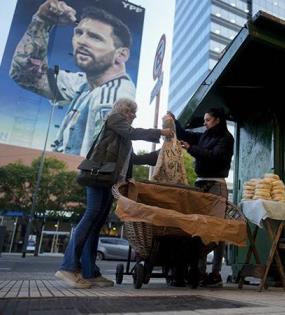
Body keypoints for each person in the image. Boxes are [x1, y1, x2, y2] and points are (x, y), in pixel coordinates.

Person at [55, 98, 173, 288]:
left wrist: (162, 153)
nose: (134, 115)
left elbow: (132, 159)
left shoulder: (122, 135)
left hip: (110, 181)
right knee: (91, 216)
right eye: (131, 111)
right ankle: (68, 267)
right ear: (122, 110)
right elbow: (132, 132)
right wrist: (160, 132)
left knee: (96, 223)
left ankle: (89, 272)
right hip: (98, 177)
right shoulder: (115, 119)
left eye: (134, 112)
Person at [10, 0, 136, 156]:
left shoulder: (113, 96)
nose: (81, 41)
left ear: (121, 54)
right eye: (79, 32)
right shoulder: (86, 82)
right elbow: (24, 74)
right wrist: (43, 20)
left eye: (95, 37)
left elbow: (101, 159)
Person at [167, 108, 234, 287]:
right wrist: (175, 122)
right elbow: (186, 135)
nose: (205, 123)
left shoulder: (226, 139)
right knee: (199, 228)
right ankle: (200, 270)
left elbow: (214, 157)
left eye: (208, 120)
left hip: (216, 186)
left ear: (217, 120)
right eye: (205, 120)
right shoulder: (204, 135)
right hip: (200, 185)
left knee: (217, 229)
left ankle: (215, 272)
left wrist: (191, 149)